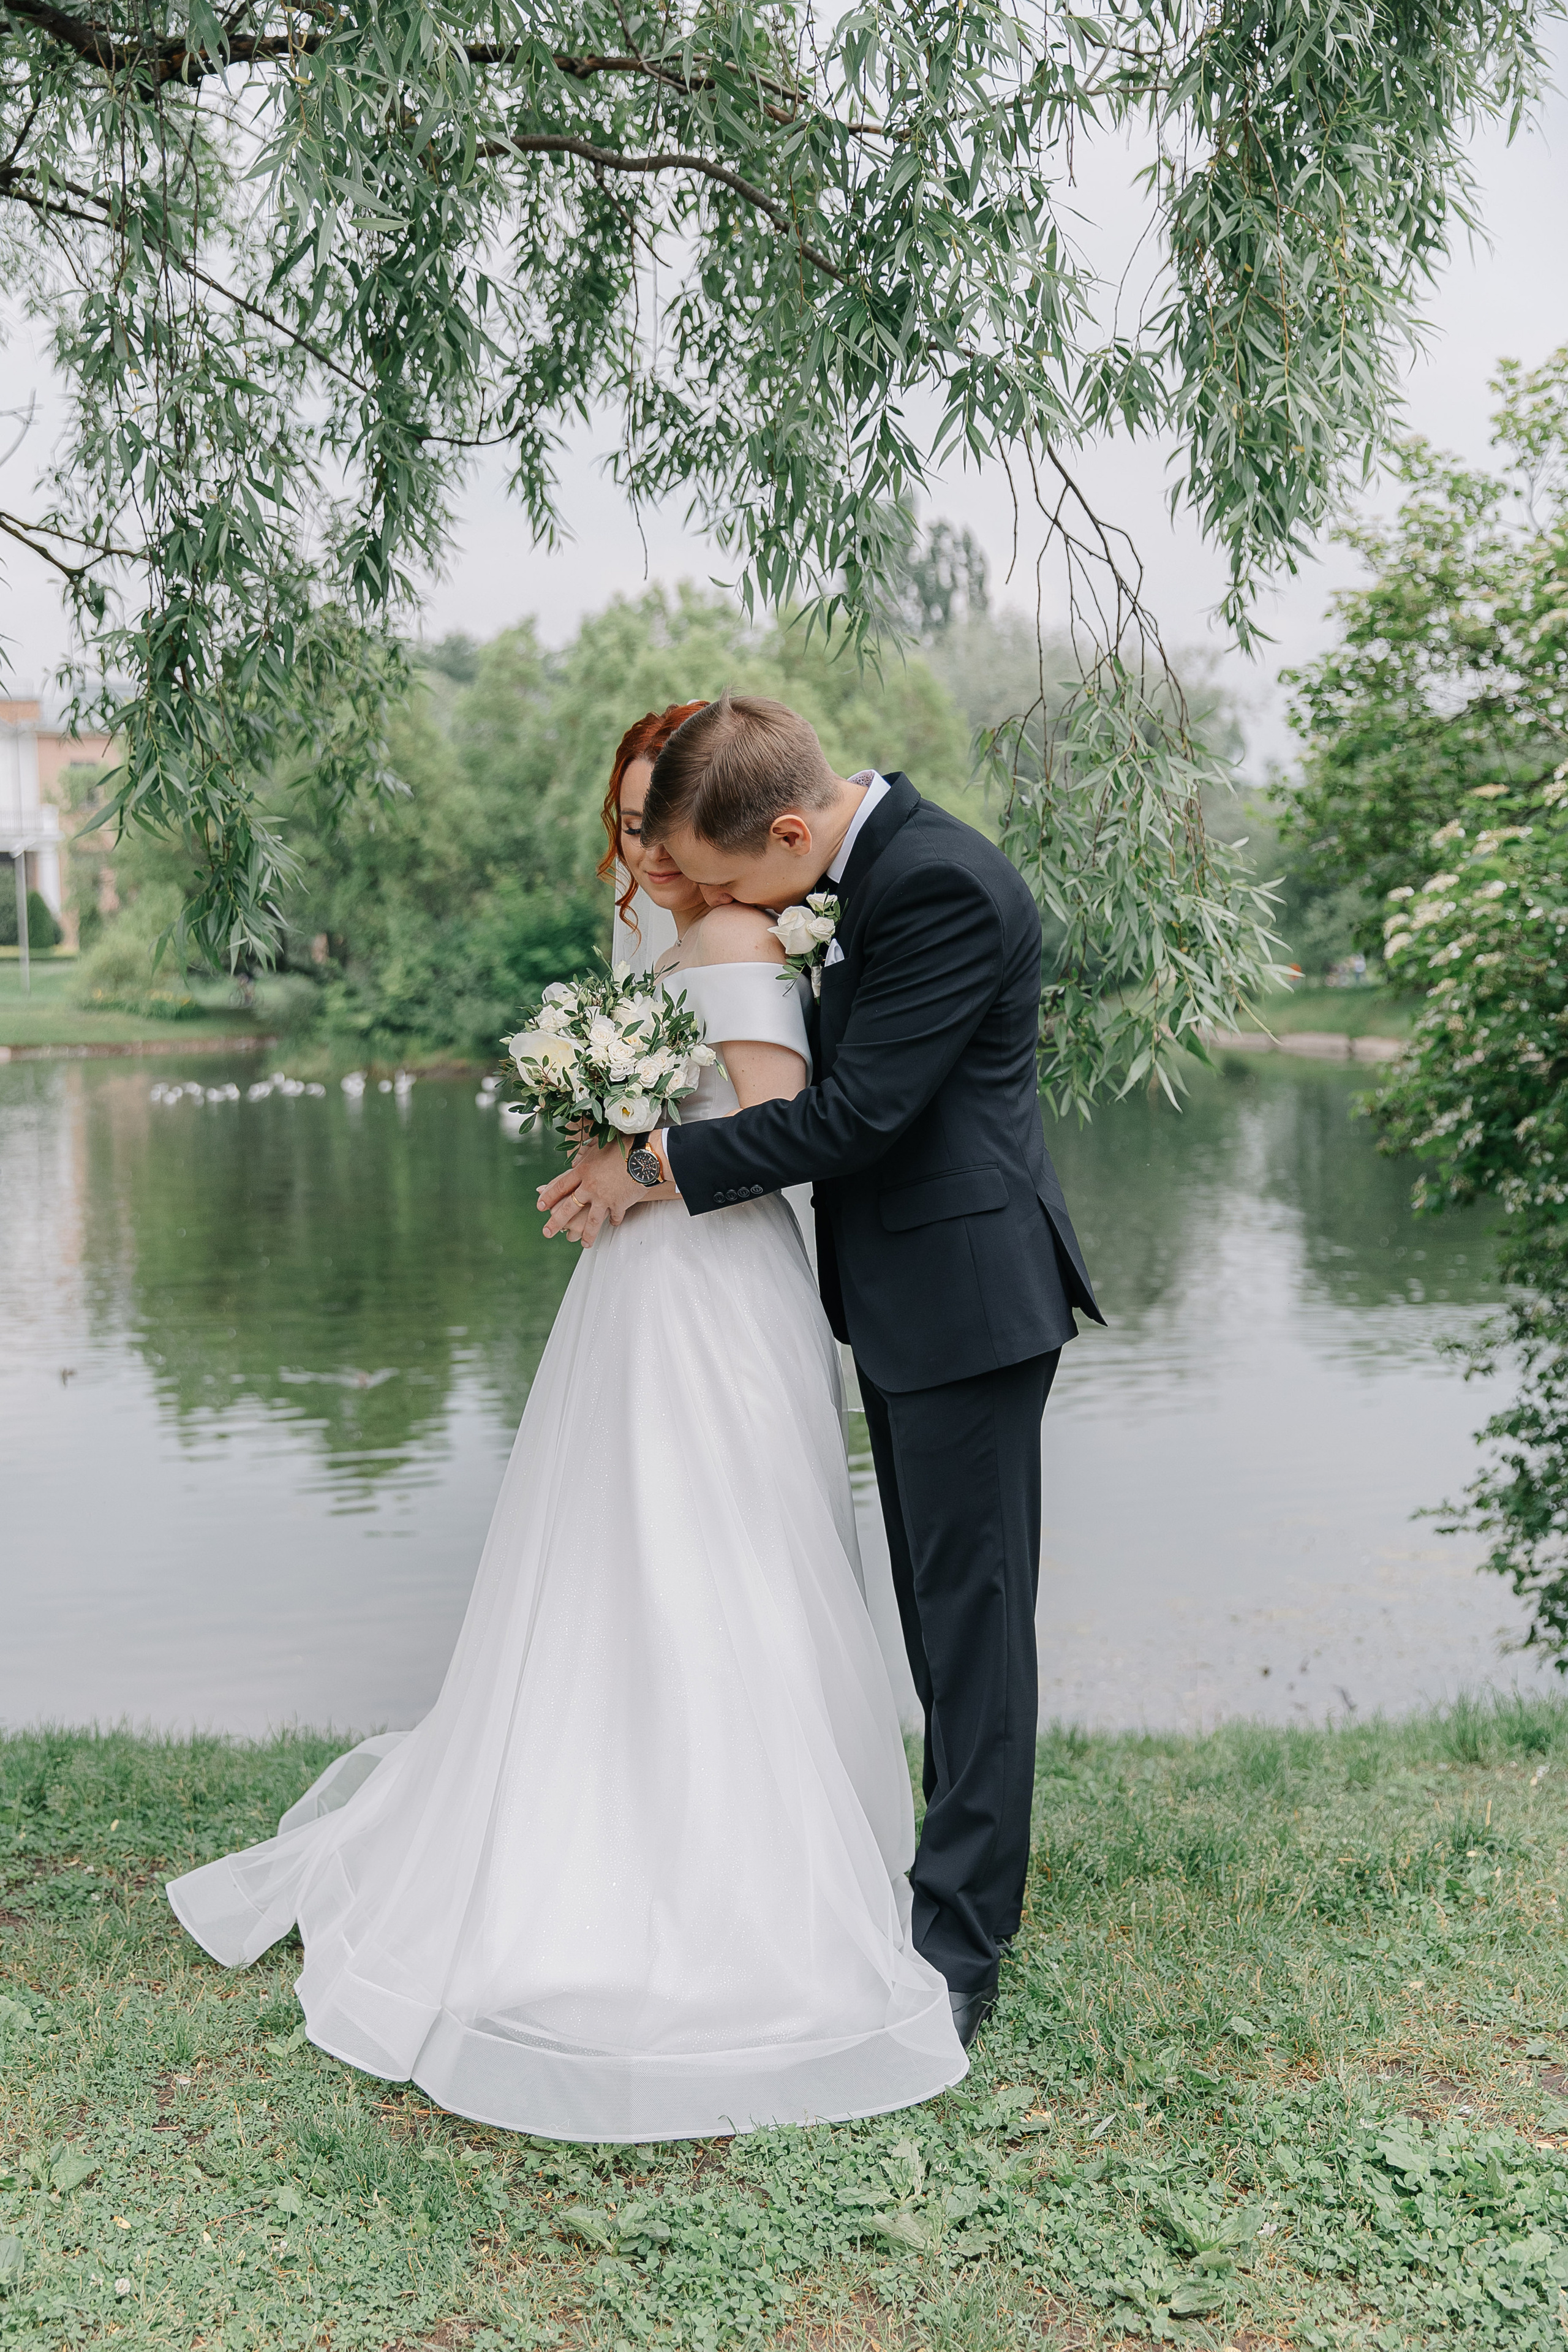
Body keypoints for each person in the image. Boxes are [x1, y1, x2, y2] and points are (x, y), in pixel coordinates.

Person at [164, 701, 967, 2143]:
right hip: (636, 1282)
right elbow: (657, 1101)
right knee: (613, 1545)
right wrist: (601, 1145)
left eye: (661, 832)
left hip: (720, 1281)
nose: (643, 855)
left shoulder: (740, 938)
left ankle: (738, 1852)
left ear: (714, 832)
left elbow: (788, 1131)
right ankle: (607, 1818)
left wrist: (640, 1161)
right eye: (629, 828)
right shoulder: (661, 928)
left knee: (721, 1543)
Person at [538, 693, 1102, 2047]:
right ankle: (918, 1879)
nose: (709, 899)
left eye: (729, 879)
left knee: (967, 1631)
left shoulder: (945, 887)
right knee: (930, 1612)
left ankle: (960, 1944)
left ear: (790, 831)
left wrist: (650, 1167)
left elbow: (849, 1118)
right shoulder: (848, 872)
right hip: (902, 1297)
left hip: (968, 1302)